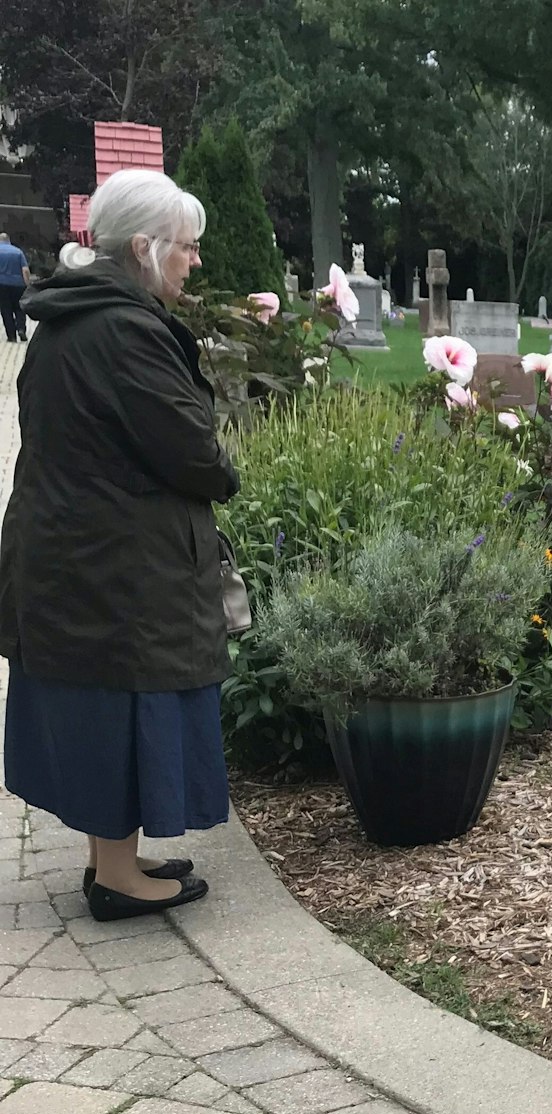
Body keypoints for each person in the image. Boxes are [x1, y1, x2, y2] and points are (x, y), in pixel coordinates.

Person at [0, 170, 238, 922]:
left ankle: (113, 858)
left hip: (76, 551)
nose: (194, 262)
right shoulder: (127, 330)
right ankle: (116, 879)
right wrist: (224, 465)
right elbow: (195, 452)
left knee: (103, 702)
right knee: (124, 703)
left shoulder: (70, 317)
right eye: (187, 248)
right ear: (143, 247)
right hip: (114, 565)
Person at [0, 233, 30, 342]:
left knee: (5, 310)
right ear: (8, 240)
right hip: (18, 284)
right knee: (19, 308)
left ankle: (11, 336)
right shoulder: (18, 252)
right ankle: (21, 328)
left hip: (2, 284)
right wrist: (27, 284)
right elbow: (25, 270)